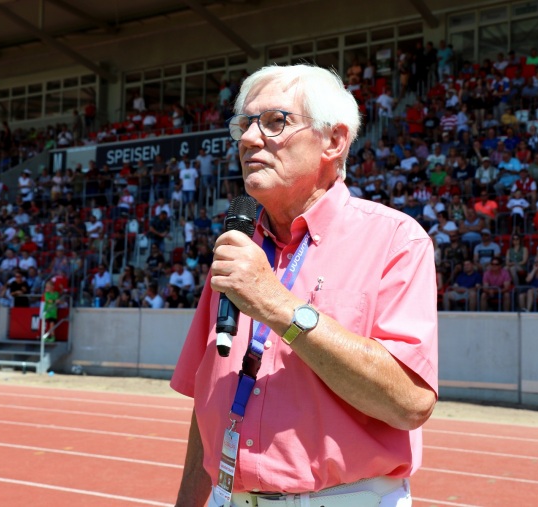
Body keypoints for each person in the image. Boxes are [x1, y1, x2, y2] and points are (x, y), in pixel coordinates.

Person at [171, 65, 438, 507]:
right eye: (244, 124)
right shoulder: (239, 248)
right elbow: (209, 398)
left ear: (333, 141)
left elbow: (409, 402)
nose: (250, 139)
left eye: (276, 122)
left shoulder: (395, 240)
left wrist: (277, 304)